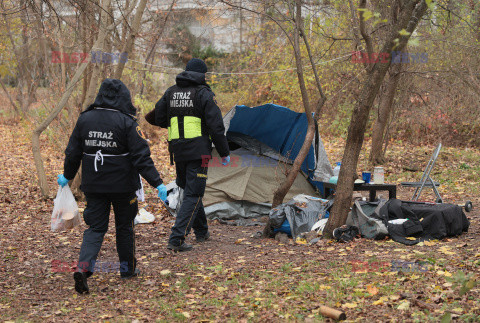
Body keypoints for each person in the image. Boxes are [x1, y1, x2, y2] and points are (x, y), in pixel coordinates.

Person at [57, 78, 167, 294]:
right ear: (123, 97)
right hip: (123, 187)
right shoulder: (127, 122)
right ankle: (127, 270)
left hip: (94, 186)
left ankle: (83, 268)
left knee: (96, 228)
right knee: (124, 227)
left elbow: (73, 153)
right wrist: (158, 183)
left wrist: (67, 176)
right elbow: (141, 158)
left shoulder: (85, 119)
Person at [145, 58, 230, 252]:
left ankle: (202, 231)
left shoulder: (171, 92)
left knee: (190, 188)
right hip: (199, 152)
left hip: (178, 151)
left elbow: (156, 116)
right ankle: (177, 238)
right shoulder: (204, 94)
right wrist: (224, 152)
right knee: (194, 192)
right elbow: (216, 126)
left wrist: (175, 120)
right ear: (203, 75)